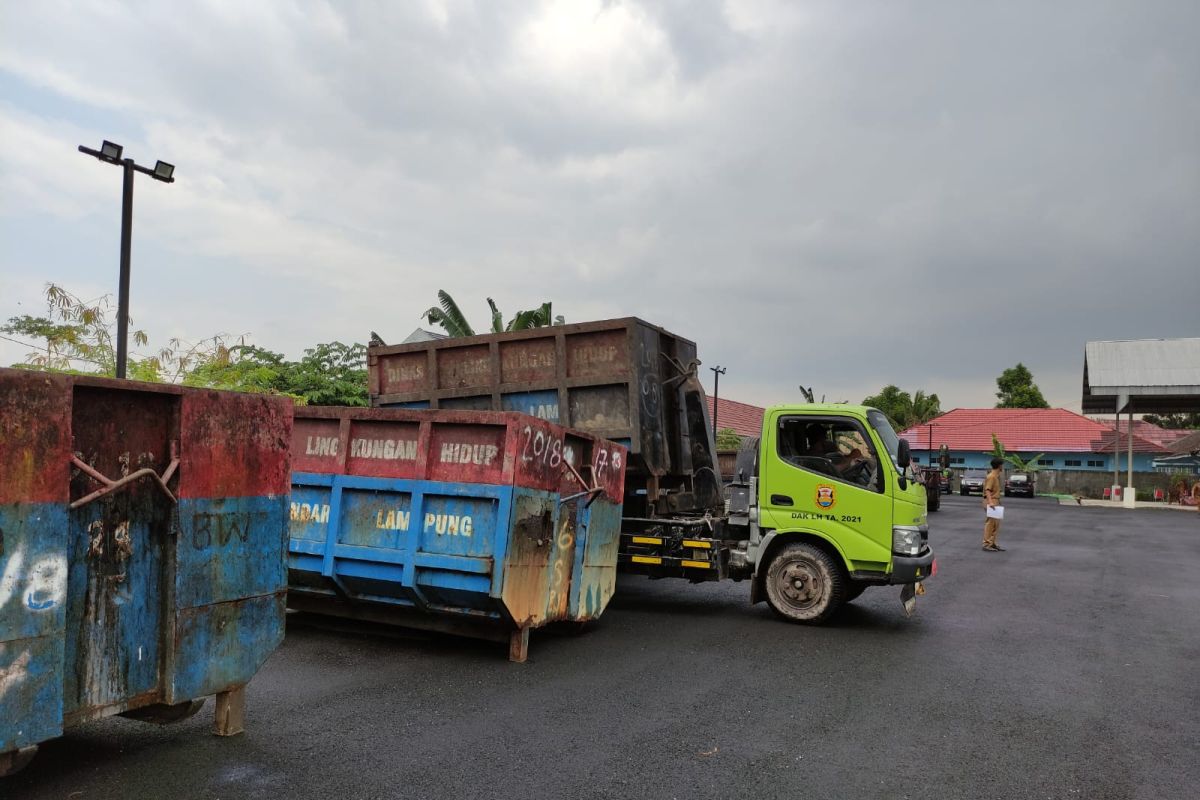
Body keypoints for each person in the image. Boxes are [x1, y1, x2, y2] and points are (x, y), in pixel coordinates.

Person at [982, 457, 1005, 552]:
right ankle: (986, 543)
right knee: (990, 523)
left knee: (996, 524)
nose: (1002, 467)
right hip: (992, 501)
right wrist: (991, 502)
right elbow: (988, 490)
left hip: (996, 501)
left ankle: (992, 543)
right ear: (999, 466)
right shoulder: (991, 476)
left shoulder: (995, 476)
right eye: (1002, 465)